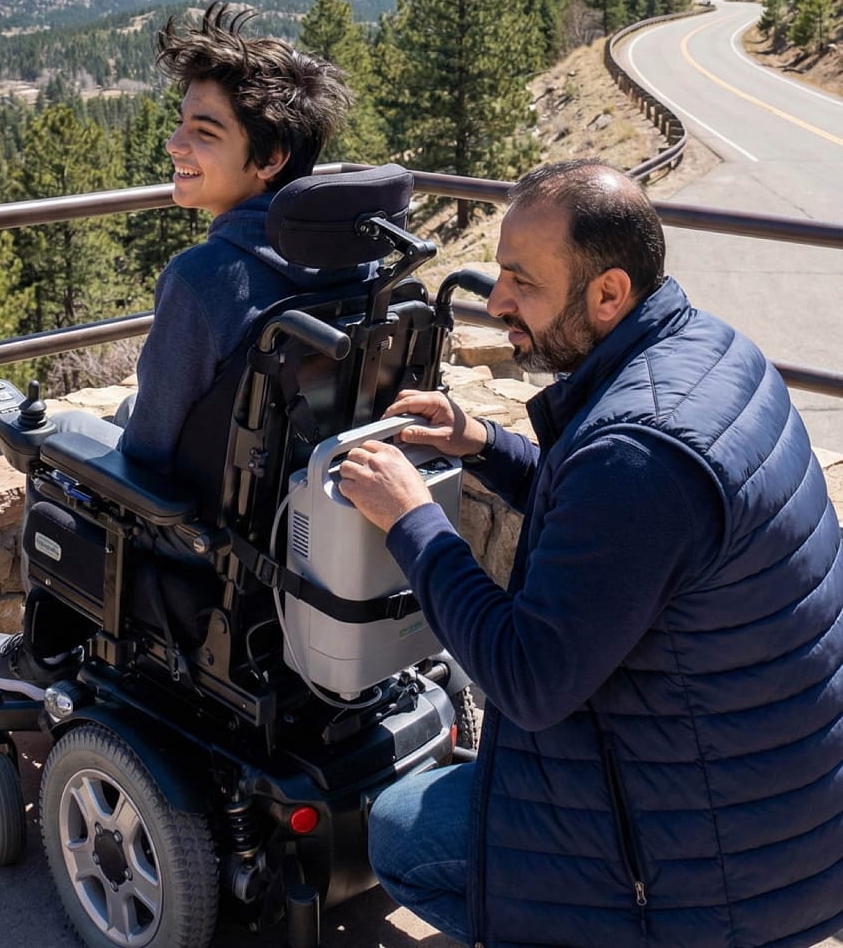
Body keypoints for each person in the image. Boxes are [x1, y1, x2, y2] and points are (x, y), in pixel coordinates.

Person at [338, 159, 843, 948]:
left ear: (609, 293)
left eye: (522, 282)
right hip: (782, 813)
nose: (497, 300)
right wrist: (483, 443)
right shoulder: (706, 353)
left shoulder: (637, 456)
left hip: (714, 881)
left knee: (400, 830)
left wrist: (412, 520)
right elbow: (613, 528)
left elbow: (529, 679)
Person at [0, 1, 354, 698]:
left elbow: (146, 455)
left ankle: (45, 658)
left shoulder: (206, 280)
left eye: (203, 131)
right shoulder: (354, 269)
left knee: (59, 457)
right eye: (180, 122)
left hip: (206, 544)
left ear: (269, 159)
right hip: (301, 522)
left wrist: (73, 440)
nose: (175, 144)